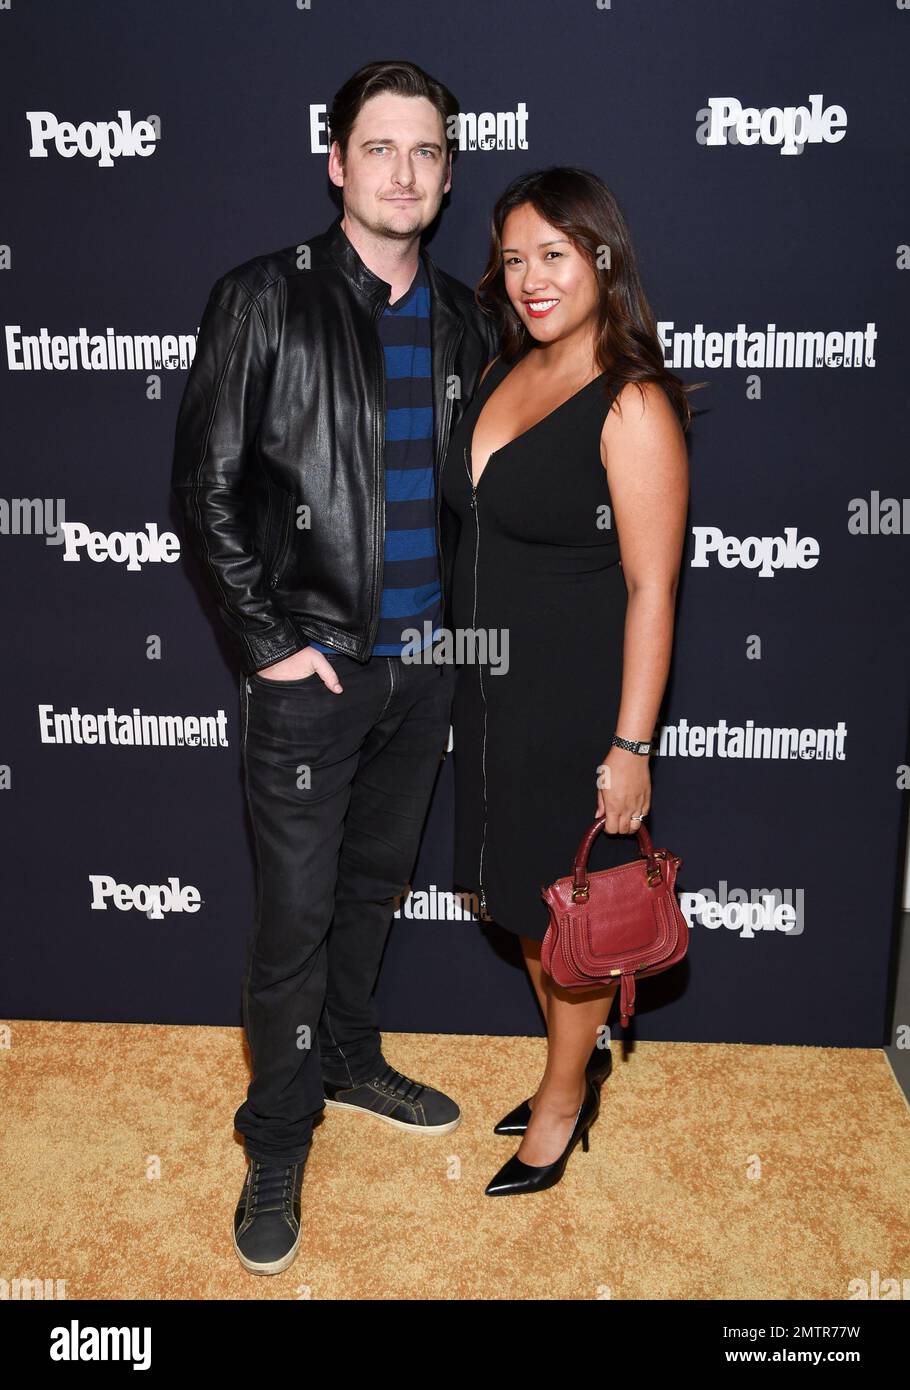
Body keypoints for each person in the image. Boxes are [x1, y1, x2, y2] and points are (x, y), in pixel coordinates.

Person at [171, 60, 497, 1273]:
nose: (403, 173)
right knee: (295, 920)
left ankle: (350, 1058)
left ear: (447, 174)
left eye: (425, 152)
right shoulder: (265, 297)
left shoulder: (466, 318)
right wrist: (271, 645)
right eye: (379, 148)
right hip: (312, 679)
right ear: (335, 162)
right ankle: (275, 1132)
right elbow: (203, 489)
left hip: (422, 674)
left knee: (369, 892)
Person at [439, 166, 692, 1196]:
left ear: (602, 258)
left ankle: (559, 1102)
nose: (531, 278)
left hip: (575, 706)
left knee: (566, 918)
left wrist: (629, 745)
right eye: (513, 259)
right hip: (490, 696)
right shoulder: (506, 368)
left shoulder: (631, 401)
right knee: (517, 902)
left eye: (554, 254)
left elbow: (652, 587)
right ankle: (574, 1064)